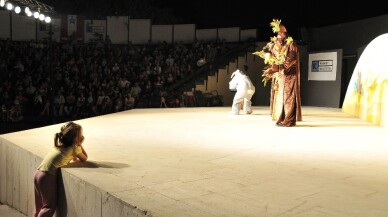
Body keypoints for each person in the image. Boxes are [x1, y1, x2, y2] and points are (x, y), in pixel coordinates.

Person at [33, 121, 88, 217]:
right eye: (81, 134)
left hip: (38, 173)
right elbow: (84, 158)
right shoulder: (74, 148)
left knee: (39, 206)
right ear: (76, 138)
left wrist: (77, 144)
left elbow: (73, 158)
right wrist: (80, 144)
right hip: (47, 176)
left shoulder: (58, 145)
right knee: (49, 207)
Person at [261, 20, 302, 127]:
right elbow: (273, 58)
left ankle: (289, 120)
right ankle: (282, 118)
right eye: (277, 33)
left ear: (286, 34)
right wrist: (270, 67)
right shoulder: (275, 45)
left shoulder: (291, 45)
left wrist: (277, 68)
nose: (279, 35)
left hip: (290, 75)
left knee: (288, 98)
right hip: (281, 75)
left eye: (281, 33)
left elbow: (289, 61)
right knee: (281, 98)